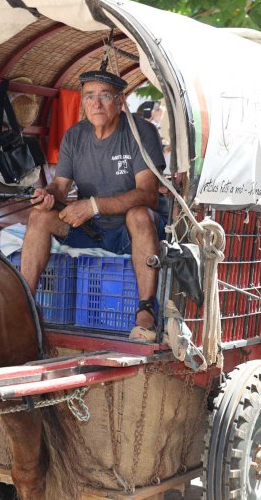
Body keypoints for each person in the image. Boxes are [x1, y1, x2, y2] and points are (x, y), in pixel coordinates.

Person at [20, 70, 165, 342]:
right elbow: (61, 187)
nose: (96, 104)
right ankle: (25, 303)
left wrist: (94, 206)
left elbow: (149, 194)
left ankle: (146, 313)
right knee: (39, 217)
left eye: (105, 96)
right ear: (83, 102)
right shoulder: (75, 136)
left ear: (120, 101)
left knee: (139, 214)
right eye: (89, 97)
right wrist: (47, 195)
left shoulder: (141, 131)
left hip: (131, 231)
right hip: (93, 229)